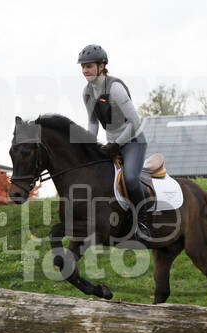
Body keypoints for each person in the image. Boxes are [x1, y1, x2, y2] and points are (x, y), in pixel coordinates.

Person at [78, 44, 151, 240]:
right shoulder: (87, 92)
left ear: (102, 66)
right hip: (112, 144)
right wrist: (89, 146)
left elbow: (135, 123)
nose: (85, 70)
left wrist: (117, 144)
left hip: (133, 141)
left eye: (89, 66)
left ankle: (143, 222)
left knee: (130, 179)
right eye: (83, 67)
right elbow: (93, 122)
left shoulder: (116, 88)